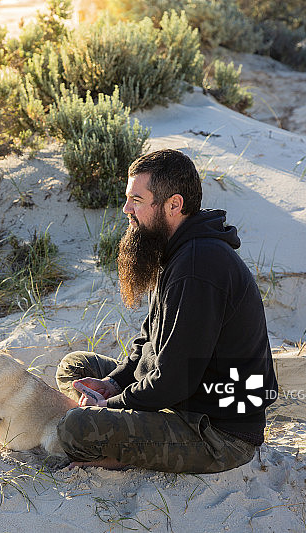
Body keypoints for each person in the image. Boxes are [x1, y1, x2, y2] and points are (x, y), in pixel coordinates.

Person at [55, 149, 278, 473]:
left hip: (218, 433)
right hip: (179, 398)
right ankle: (118, 429)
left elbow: (173, 380)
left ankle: (117, 454)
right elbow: (148, 342)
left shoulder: (198, 265)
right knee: (75, 366)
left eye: (137, 200)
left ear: (174, 205)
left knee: (75, 428)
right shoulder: (176, 250)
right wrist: (114, 384)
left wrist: (110, 405)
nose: (126, 209)